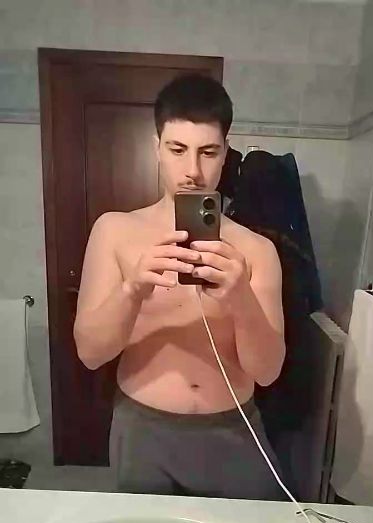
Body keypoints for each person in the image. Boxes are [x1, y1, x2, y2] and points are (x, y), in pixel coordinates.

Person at [74, 73, 286, 500]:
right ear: (156, 148)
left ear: (225, 154)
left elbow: (267, 372)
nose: (193, 171)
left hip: (232, 429)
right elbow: (90, 353)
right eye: (177, 150)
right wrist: (133, 289)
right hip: (143, 430)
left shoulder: (257, 251)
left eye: (208, 152)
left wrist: (241, 298)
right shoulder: (114, 231)